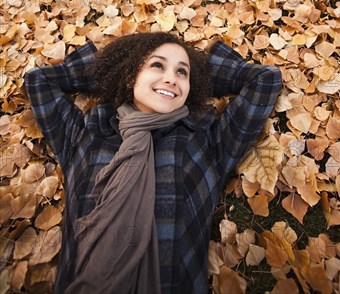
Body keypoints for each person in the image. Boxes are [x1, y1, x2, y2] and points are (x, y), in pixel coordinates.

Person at [24, 31, 282, 294]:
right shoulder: (87, 134)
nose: (171, 77)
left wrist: (199, 73)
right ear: (128, 75)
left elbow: (265, 79)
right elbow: (38, 81)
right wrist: (110, 68)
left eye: (182, 72)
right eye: (157, 65)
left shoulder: (207, 140)